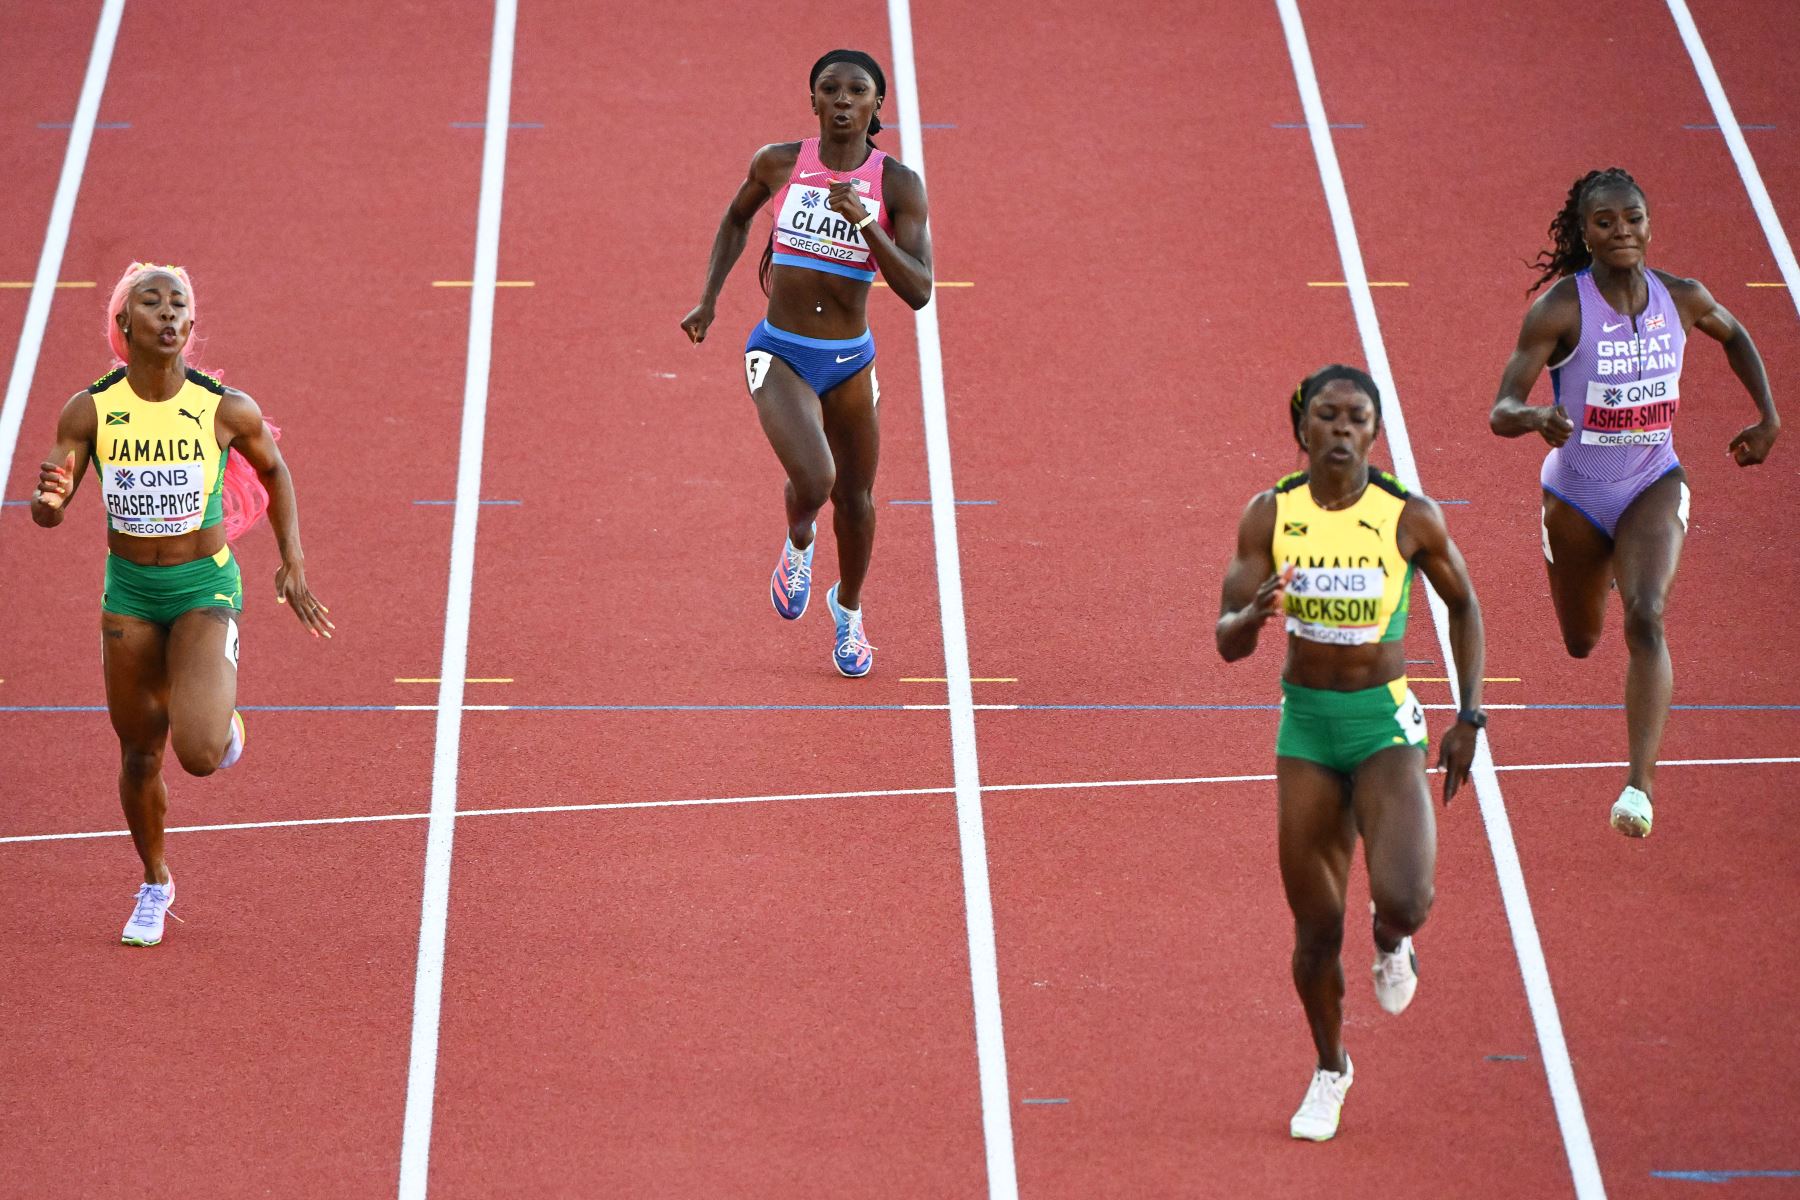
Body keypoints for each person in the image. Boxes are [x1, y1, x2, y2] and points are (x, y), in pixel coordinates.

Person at [1216, 366, 1485, 1141]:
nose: (1340, 430)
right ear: (1301, 429)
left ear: (1374, 432)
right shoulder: (1270, 514)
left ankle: (1392, 939)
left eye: (1355, 418)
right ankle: (1331, 1068)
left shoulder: (1409, 518)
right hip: (1306, 730)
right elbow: (1226, 642)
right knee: (1314, 931)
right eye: (1326, 417)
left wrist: (1470, 713)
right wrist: (1254, 616)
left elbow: (1463, 604)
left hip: (1382, 728)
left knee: (1406, 897)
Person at [30, 262, 332, 947]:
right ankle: (155, 882)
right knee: (140, 754)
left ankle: (221, 722)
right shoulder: (91, 409)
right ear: (124, 323)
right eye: (152, 302)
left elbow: (275, 470)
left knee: (197, 753)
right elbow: (52, 502)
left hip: (204, 588)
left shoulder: (223, 407)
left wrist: (293, 559)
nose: (168, 314)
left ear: (190, 328)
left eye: (179, 306)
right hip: (130, 596)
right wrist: (47, 504)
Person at [1489, 168, 1779, 837]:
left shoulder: (1681, 297)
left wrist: (1768, 417)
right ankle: (1576, 584)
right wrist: (1535, 419)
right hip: (1577, 494)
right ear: (1584, 232)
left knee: (1646, 617)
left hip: (1654, 479)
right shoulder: (1561, 308)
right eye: (1606, 222)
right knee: (1582, 641)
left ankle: (1638, 788)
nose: (1623, 231)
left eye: (1634, 218)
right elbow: (1501, 408)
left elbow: (1733, 334)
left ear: (1650, 224)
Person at [680, 48, 933, 677]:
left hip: (850, 360)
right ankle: (798, 543)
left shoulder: (897, 185)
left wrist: (868, 224)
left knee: (857, 500)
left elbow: (920, 290)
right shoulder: (779, 163)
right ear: (813, 99)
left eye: (857, 91)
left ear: (877, 106)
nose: (843, 100)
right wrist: (708, 300)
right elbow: (736, 219)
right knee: (816, 481)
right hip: (780, 351)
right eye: (831, 89)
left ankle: (847, 613)